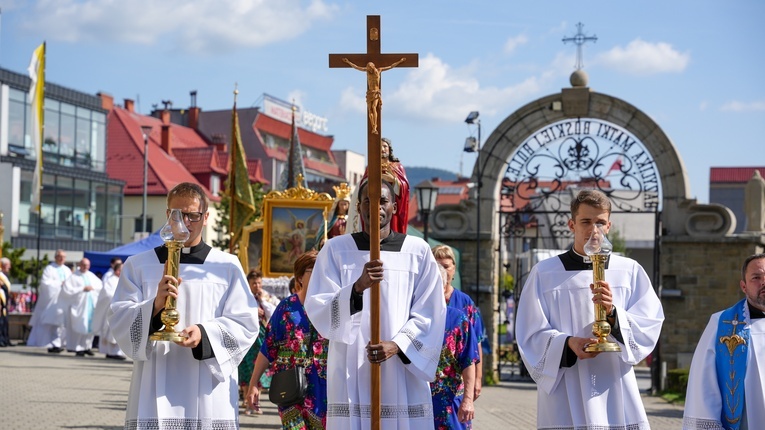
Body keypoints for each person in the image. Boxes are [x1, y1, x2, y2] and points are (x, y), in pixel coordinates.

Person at [108, 182, 260, 429]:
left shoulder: (227, 266)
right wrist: (154, 307)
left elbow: (245, 323)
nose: (185, 222)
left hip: (207, 384)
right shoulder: (138, 265)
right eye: (177, 214)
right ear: (167, 215)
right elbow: (119, 318)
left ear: (206, 217)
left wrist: (205, 333)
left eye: (193, 215)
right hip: (154, 378)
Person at [515, 189, 664, 429]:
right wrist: (567, 344)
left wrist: (614, 314)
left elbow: (650, 322)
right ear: (571, 224)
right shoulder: (545, 273)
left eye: (600, 222)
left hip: (614, 383)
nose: (593, 229)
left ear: (609, 225)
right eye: (585, 221)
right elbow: (529, 333)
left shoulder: (629, 270)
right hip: (566, 386)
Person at [305, 179, 446, 429]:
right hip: (351, 365)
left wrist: (397, 345)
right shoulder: (336, 250)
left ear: (393, 206)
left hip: (401, 370)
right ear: (358, 207)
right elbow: (319, 307)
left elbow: (431, 313)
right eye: (367, 201)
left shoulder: (417, 251)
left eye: (382, 201)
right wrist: (357, 287)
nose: (375, 207)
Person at [246, 251, 328, 428]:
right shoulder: (287, 308)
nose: (320, 273)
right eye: (313, 270)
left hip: (325, 391)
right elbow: (268, 348)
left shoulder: (332, 306)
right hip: (291, 390)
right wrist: (253, 384)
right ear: (299, 277)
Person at [683, 253, 765, 429]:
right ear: (744, 286)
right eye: (756, 277)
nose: (764, 282)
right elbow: (703, 382)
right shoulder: (721, 323)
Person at [432, 245, 485, 401]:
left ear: (454, 269)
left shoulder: (465, 302)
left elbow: (477, 343)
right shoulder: (422, 300)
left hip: (458, 380)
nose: (442, 270)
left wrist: (478, 379)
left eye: (446, 266)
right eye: (437, 266)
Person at [430, 265, 479, 429]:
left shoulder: (459, 320)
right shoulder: (408, 316)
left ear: (444, 287)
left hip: (450, 402)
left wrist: (468, 400)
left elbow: (468, 360)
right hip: (416, 400)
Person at [238, 268, 275, 416]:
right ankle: (247, 402)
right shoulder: (242, 297)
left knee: (258, 369)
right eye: (254, 283)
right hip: (246, 336)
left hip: (260, 335)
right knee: (246, 370)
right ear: (248, 283)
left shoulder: (266, 296)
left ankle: (256, 402)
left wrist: (262, 301)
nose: (257, 286)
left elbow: (272, 314)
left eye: (259, 283)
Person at [356, 138, 410, 234]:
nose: (382, 149)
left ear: (389, 149)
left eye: (385, 146)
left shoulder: (397, 166)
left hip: (390, 205)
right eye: (379, 146)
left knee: (391, 226)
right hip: (374, 203)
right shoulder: (371, 167)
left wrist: (394, 180)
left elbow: (405, 187)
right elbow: (363, 186)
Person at [342, 57, 406, 134]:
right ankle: (373, 127)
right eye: (368, 68)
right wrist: (348, 62)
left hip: (375, 92)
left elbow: (391, 66)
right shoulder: (367, 71)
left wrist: (400, 61)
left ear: (373, 66)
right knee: (370, 110)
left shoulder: (379, 70)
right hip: (369, 93)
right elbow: (356, 67)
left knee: (373, 107)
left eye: (369, 67)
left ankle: (375, 126)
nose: (368, 69)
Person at [27, 249, 72, 352]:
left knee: (61, 324)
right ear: (55, 257)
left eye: (63, 257)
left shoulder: (67, 270)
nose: (61, 258)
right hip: (52, 301)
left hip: (63, 300)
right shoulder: (49, 269)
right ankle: (52, 344)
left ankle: (58, 343)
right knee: (52, 323)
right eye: (59, 256)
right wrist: (60, 284)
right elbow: (45, 283)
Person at [61, 258, 103, 356]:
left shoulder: (91, 276)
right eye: (83, 265)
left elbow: (100, 287)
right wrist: (82, 288)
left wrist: (92, 288)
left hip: (91, 306)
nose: (85, 267)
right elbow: (67, 290)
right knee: (80, 326)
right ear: (80, 264)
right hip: (80, 306)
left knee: (90, 327)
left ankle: (87, 346)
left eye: (87, 265)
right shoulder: (73, 277)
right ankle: (78, 347)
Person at [91, 262, 125, 360]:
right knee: (111, 331)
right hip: (112, 310)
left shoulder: (121, 280)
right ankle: (111, 352)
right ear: (118, 271)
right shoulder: (110, 280)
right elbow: (107, 294)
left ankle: (117, 352)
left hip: (121, 310)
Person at [313, 183, 352, 250]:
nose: (343, 207)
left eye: (345, 204)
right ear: (337, 205)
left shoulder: (350, 220)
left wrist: (344, 235)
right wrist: (323, 238)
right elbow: (323, 232)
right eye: (341, 204)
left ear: (348, 205)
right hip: (332, 246)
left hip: (345, 247)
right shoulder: (330, 219)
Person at [0, 257, 13, 347]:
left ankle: (5, 339)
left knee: (5, 322)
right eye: (8, 265)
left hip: (5, 302)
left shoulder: (5, 276)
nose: (10, 267)